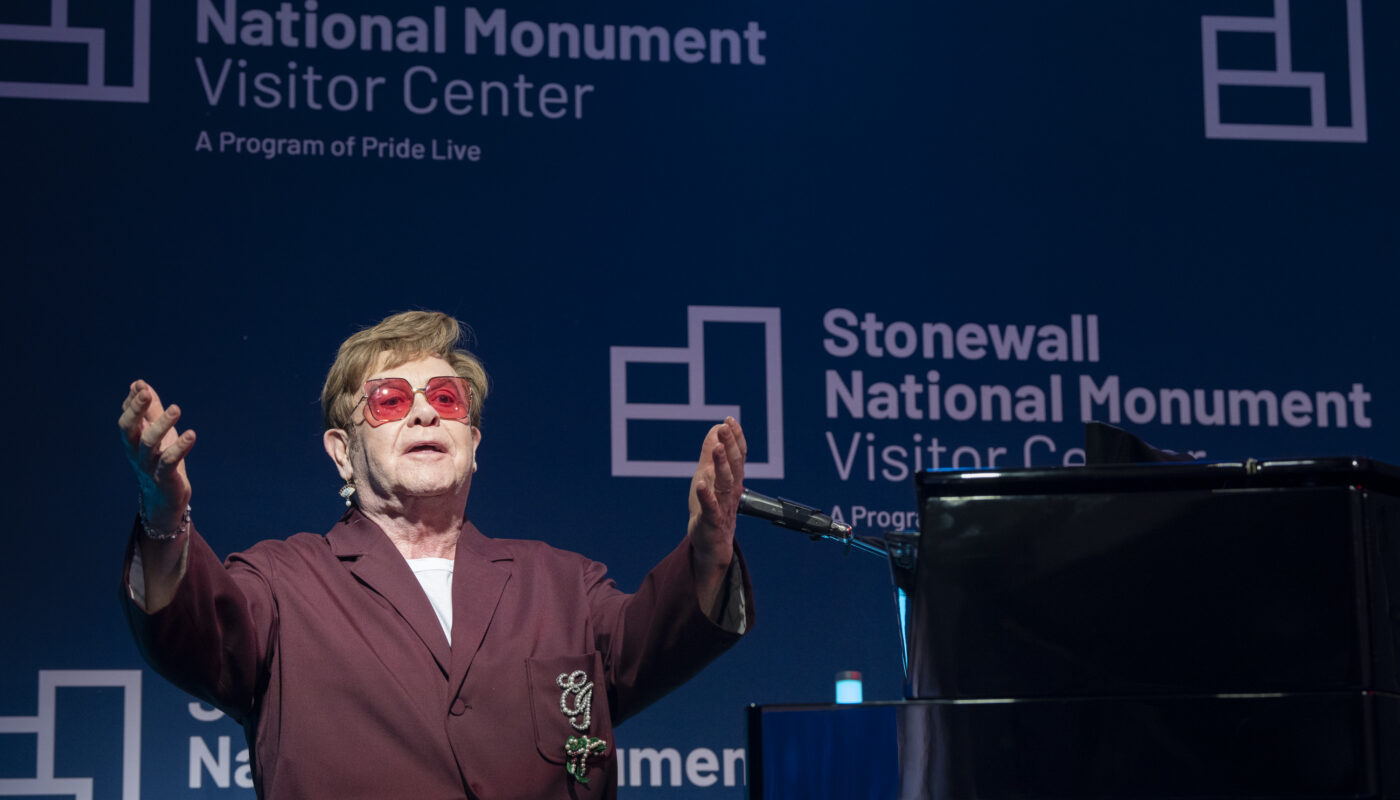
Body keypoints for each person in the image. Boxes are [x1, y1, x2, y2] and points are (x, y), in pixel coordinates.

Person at [119, 310, 753, 800]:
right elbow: (192, 628)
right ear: (342, 451)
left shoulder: (562, 584)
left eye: (446, 399)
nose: (424, 412)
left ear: (472, 443)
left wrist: (708, 549)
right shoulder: (283, 582)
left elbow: (658, 636)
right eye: (390, 400)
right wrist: (165, 516)